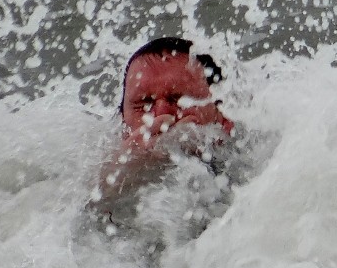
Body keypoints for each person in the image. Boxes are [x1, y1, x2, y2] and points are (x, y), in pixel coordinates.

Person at [90, 37, 236, 224]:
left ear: (225, 116)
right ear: (122, 123)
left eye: (179, 99)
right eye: (144, 104)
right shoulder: (90, 173)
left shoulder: (262, 169)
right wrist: (113, 184)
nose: (161, 116)